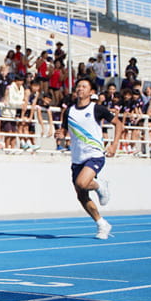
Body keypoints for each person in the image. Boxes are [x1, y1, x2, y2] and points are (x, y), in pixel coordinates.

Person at [61, 78, 124, 239]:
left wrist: (114, 144)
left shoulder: (97, 109)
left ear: (91, 92)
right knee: (81, 195)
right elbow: (63, 131)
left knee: (82, 183)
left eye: (84, 87)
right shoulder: (69, 111)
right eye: (78, 86)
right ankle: (102, 224)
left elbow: (119, 124)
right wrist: (60, 135)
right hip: (77, 158)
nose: (80, 89)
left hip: (95, 154)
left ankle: (99, 185)